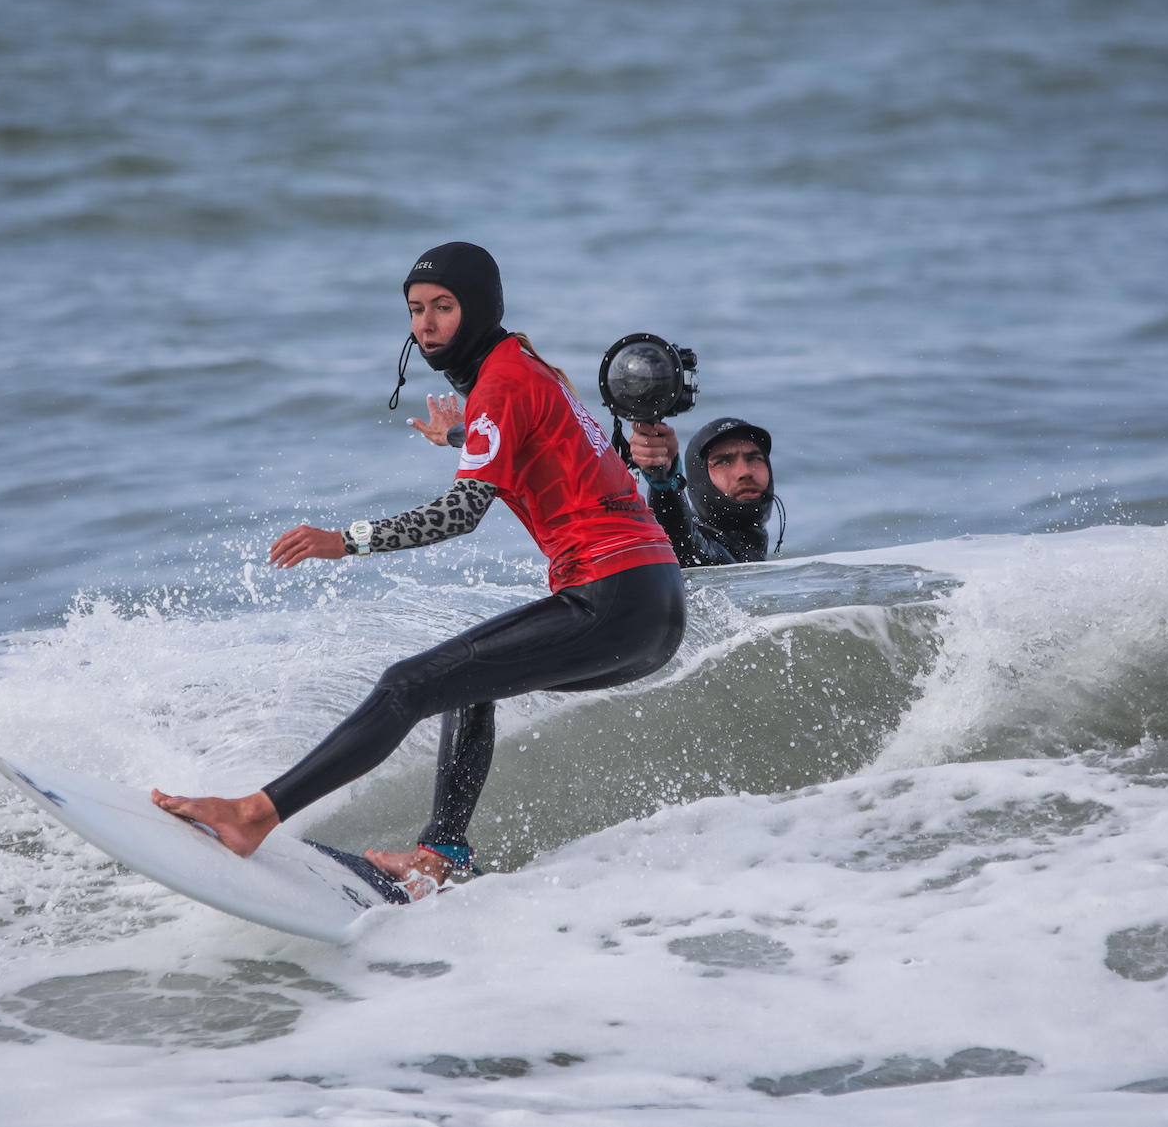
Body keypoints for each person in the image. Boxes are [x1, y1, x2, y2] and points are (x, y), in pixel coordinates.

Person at [151, 242, 687, 895]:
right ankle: (441, 855)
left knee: (405, 685)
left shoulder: (501, 384)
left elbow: (461, 512)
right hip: (652, 604)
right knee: (470, 680)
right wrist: (462, 438)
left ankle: (251, 814)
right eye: (415, 310)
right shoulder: (530, 368)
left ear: (479, 307)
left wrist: (345, 540)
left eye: (443, 307)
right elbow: (551, 447)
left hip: (611, 593)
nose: (426, 325)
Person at [627, 416, 779, 565]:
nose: (744, 472)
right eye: (723, 461)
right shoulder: (702, 550)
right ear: (700, 478)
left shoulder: (751, 546)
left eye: (754, 458)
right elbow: (679, 538)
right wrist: (665, 478)